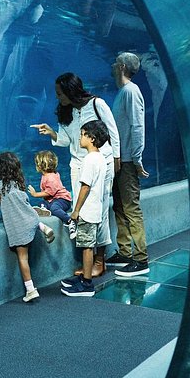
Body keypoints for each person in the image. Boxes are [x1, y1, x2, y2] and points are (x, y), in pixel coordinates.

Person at [30, 72, 120, 278]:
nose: (58, 97)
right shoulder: (65, 111)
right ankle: (88, 261)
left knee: (99, 210)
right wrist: (51, 132)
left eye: (60, 93)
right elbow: (65, 140)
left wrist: (116, 160)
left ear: (71, 90)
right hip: (78, 165)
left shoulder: (97, 104)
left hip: (100, 161)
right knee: (82, 213)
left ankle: (99, 260)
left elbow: (113, 132)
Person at [0, 151, 55, 302]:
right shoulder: (18, 184)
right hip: (31, 219)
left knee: (23, 257)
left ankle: (30, 289)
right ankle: (43, 227)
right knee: (32, 218)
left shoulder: (0, 186)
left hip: (20, 227)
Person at [108, 52, 151, 277]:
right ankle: (125, 252)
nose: (113, 65)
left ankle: (141, 259)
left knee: (131, 208)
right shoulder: (123, 92)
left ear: (123, 66)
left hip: (127, 161)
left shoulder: (131, 92)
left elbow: (137, 127)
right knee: (120, 206)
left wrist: (137, 158)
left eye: (116, 63)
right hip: (119, 161)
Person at [60, 120, 110, 297]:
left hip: (87, 211)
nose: (80, 137)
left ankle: (87, 284)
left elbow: (85, 187)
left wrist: (76, 210)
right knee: (86, 245)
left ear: (92, 138)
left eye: (82, 134)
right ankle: (83, 279)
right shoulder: (101, 158)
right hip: (95, 209)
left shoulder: (89, 159)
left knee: (87, 247)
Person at [27, 150, 74, 234]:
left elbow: (49, 192)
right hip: (53, 200)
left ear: (40, 165)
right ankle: (44, 209)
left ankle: (69, 221)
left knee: (54, 208)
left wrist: (35, 194)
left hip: (63, 200)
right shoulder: (46, 175)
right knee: (43, 203)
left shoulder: (51, 177)